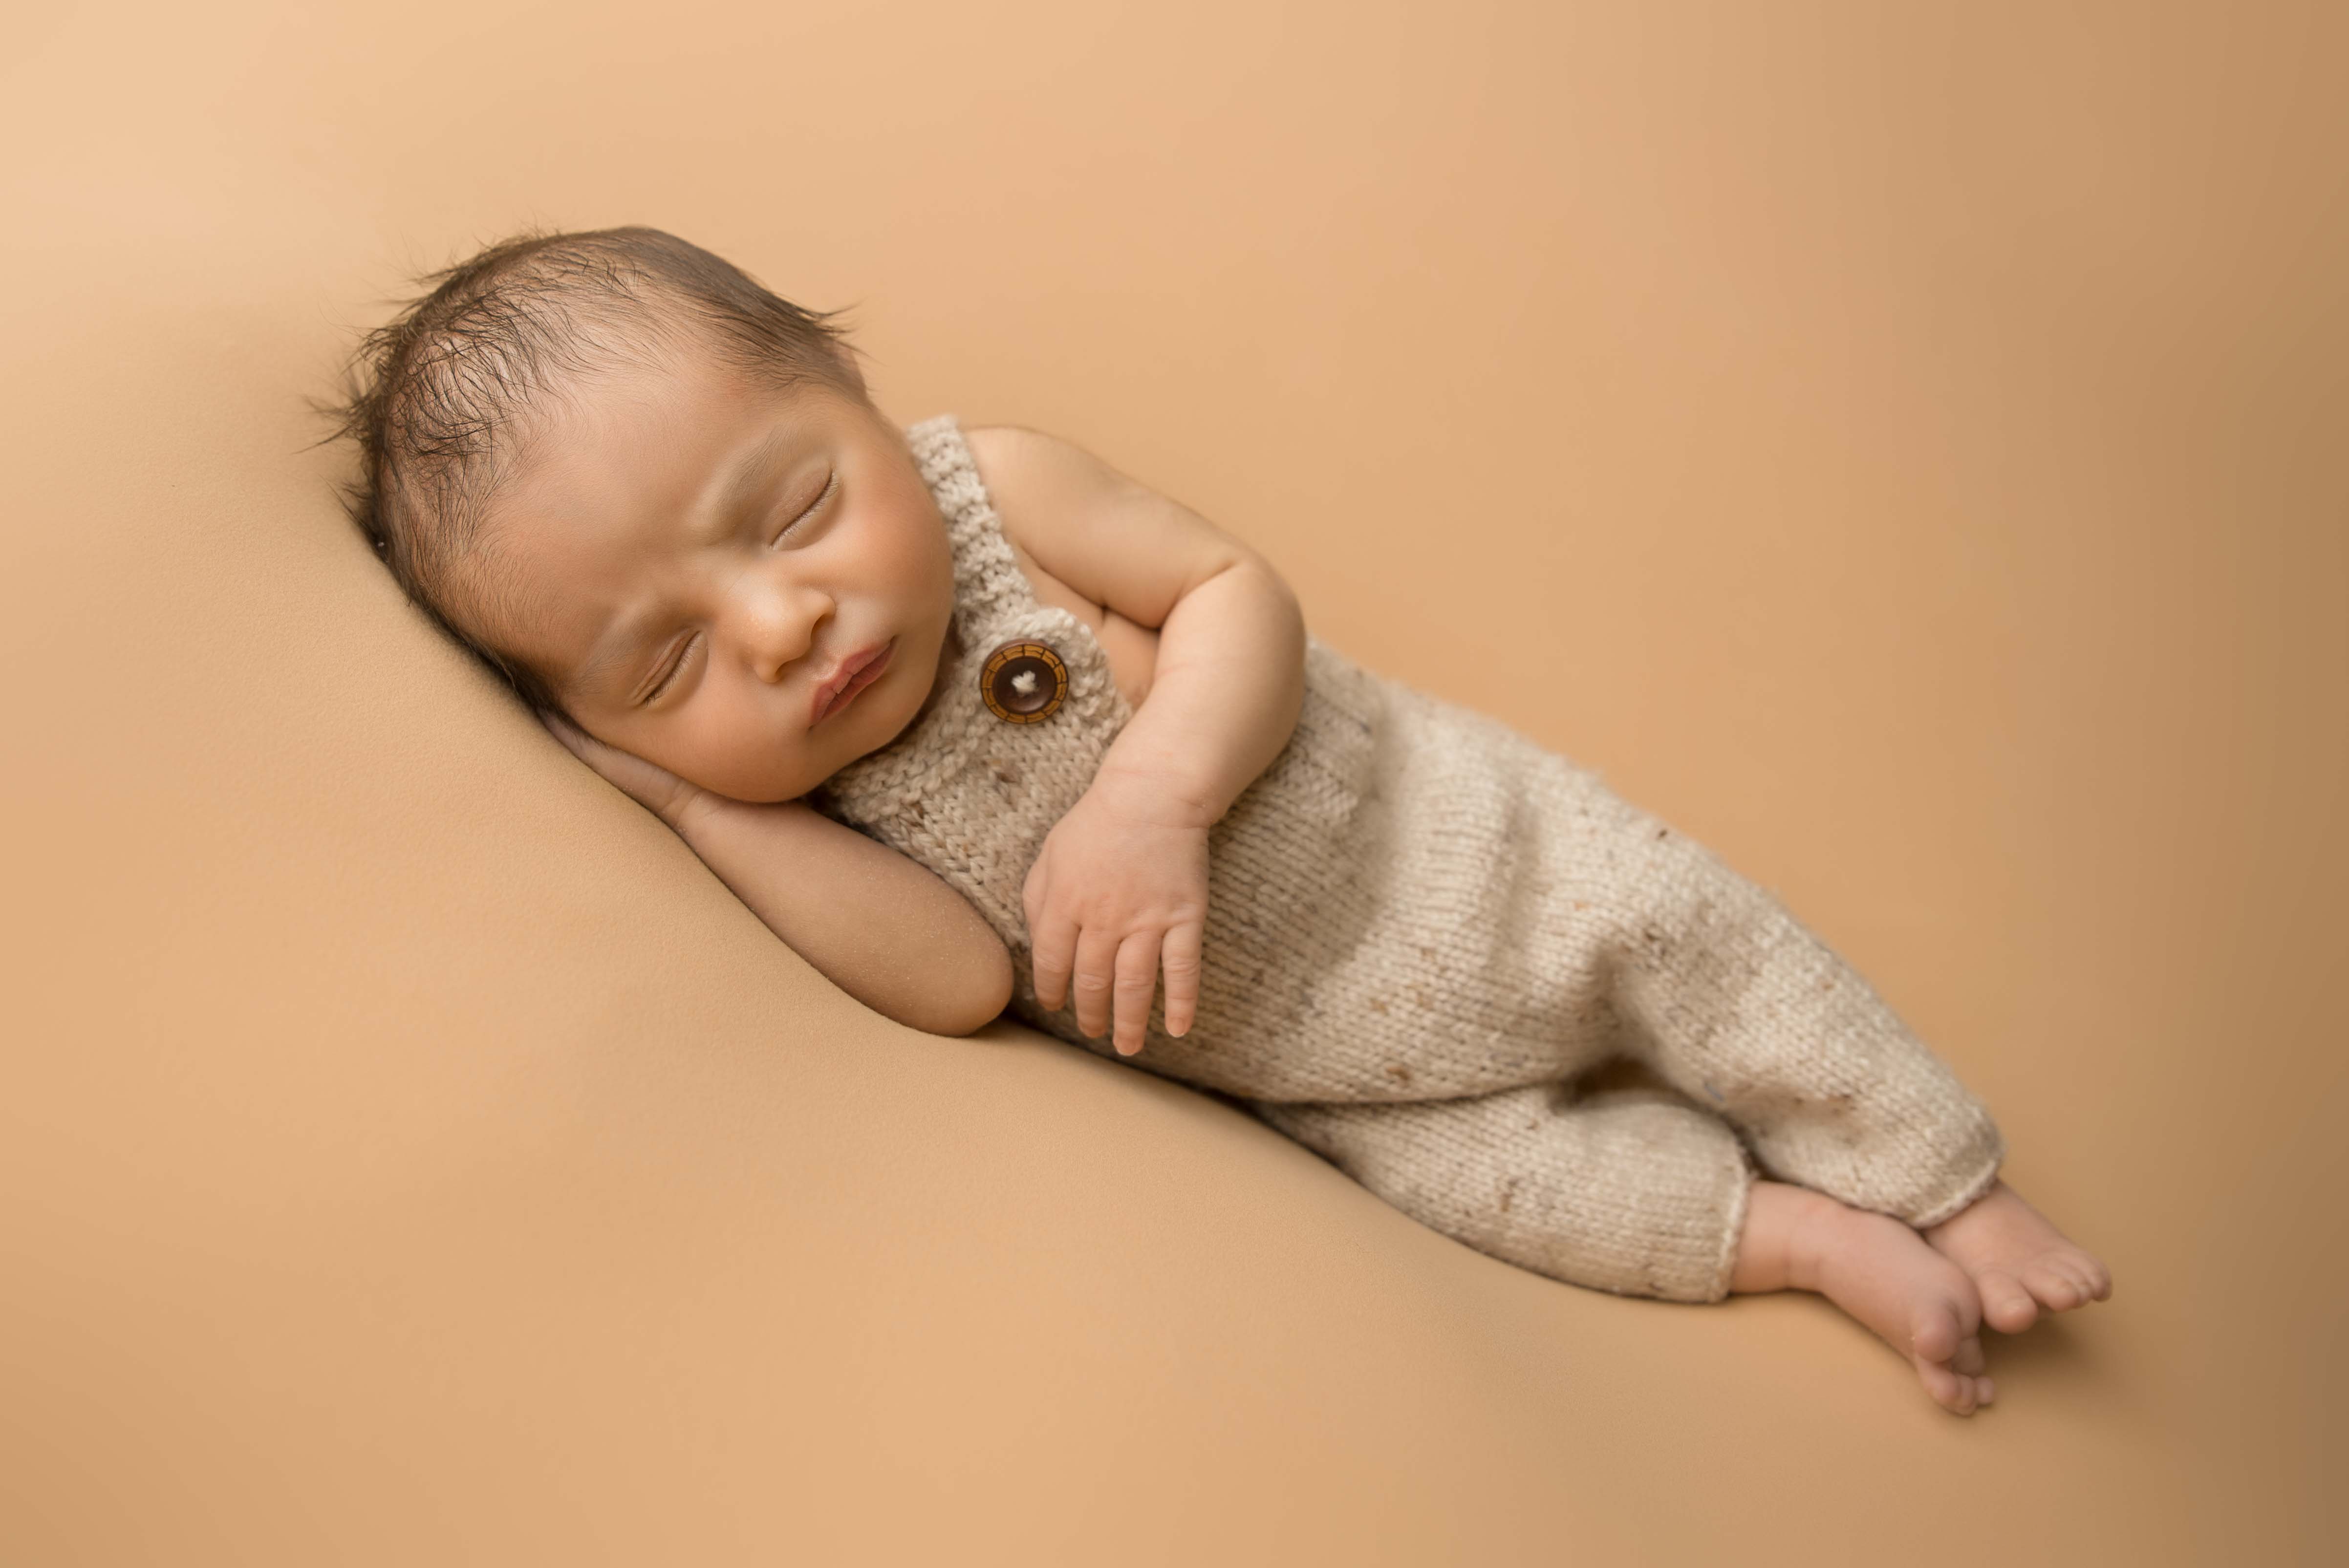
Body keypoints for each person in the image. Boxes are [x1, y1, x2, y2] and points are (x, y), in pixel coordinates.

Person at [329, 226, 2111, 1416]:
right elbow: (954, 979)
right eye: (662, 668)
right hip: (1334, 1075)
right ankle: (1804, 1241)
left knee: (1705, 945)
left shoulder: (998, 494)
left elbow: (1233, 592)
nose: (782, 625)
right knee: (1502, 1187)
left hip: (1461, 847)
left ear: (857, 400)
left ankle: (1943, 1176)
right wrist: (705, 814)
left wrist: (1157, 794)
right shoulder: (803, 800)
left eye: (794, 509)